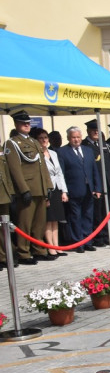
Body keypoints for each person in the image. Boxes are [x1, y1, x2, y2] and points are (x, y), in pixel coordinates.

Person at [4, 111, 53, 265]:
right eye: (23, 123)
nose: (27, 125)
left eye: (28, 123)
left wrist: (48, 185)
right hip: (28, 188)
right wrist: (23, 189)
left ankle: (38, 249)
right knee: (25, 222)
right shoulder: (12, 143)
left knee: (39, 222)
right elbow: (15, 169)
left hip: (40, 186)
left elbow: (42, 165)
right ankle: (24, 252)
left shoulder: (34, 142)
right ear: (16, 124)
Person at [58, 127, 100, 253]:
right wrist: (64, 191)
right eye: (73, 137)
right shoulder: (62, 152)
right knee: (75, 217)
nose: (76, 140)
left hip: (89, 189)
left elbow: (94, 171)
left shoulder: (88, 151)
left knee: (88, 216)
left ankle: (88, 241)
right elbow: (62, 173)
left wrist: (97, 188)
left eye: (78, 137)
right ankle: (78, 242)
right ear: (68, 138)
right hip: (73, 190)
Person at [30, 127, 68, 259]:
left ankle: (57, 246)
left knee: (55, 219)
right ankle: (50, 247)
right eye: (41, 138)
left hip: (57, 188)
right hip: (46, 190)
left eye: (45, 137)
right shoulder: (36, 155)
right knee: (48, 219)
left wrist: (64, 191)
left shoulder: (53, 153)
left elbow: (59, 173)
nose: (44, 140)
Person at [84, 118, 110, 246]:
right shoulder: (85, 146)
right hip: (96, 184)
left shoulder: (103, 145)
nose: (96, 132)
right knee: (98, 213)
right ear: (88, 131)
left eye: (98, 130)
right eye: (93, 130)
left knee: (107, 212)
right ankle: (99, 238)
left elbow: (108, 166)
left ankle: (107, 235)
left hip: (106, 183)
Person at [0, 152, 14, 267]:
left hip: (3, 193)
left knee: (5, 227)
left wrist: (11, 190)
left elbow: (6, 172)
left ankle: (6, 256)